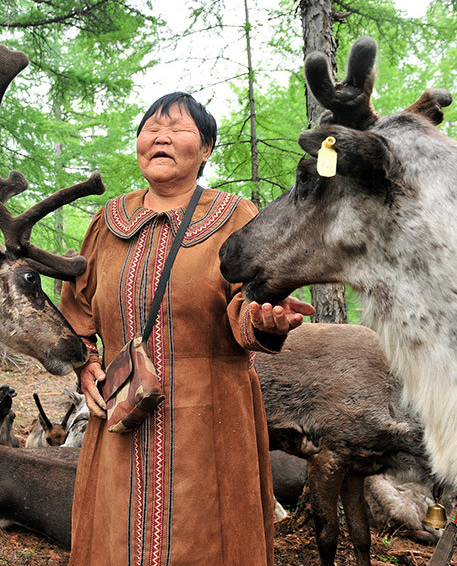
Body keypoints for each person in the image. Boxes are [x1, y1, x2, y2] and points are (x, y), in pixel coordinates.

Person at [59, 92, 314, 565]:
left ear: (207, 149)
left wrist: (264, 320)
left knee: (209, 540)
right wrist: (87, 364)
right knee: (115, 540)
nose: (160, 136)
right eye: (151, 128)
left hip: (212, 415)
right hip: (123, 414)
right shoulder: (108, 223)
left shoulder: (235, 217)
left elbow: (247, 306)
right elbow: (77, 311)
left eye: (178, 129)